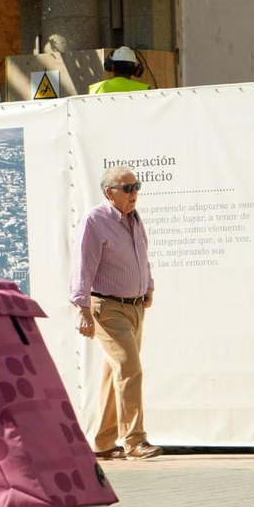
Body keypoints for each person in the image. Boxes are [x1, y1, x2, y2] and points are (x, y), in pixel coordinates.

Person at [70, 166, 161, 460]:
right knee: (130, 369)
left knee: (115, 373)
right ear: (110, 192)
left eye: (137, 186)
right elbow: (82, 267)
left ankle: (104, 442)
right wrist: (82, 309)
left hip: (135, 308)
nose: (135, 193)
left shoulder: (134, 219)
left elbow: (142, 255)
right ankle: (134, 440)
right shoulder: (94, 221)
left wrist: (147, 285)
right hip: (107, 308)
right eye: (128, 188)